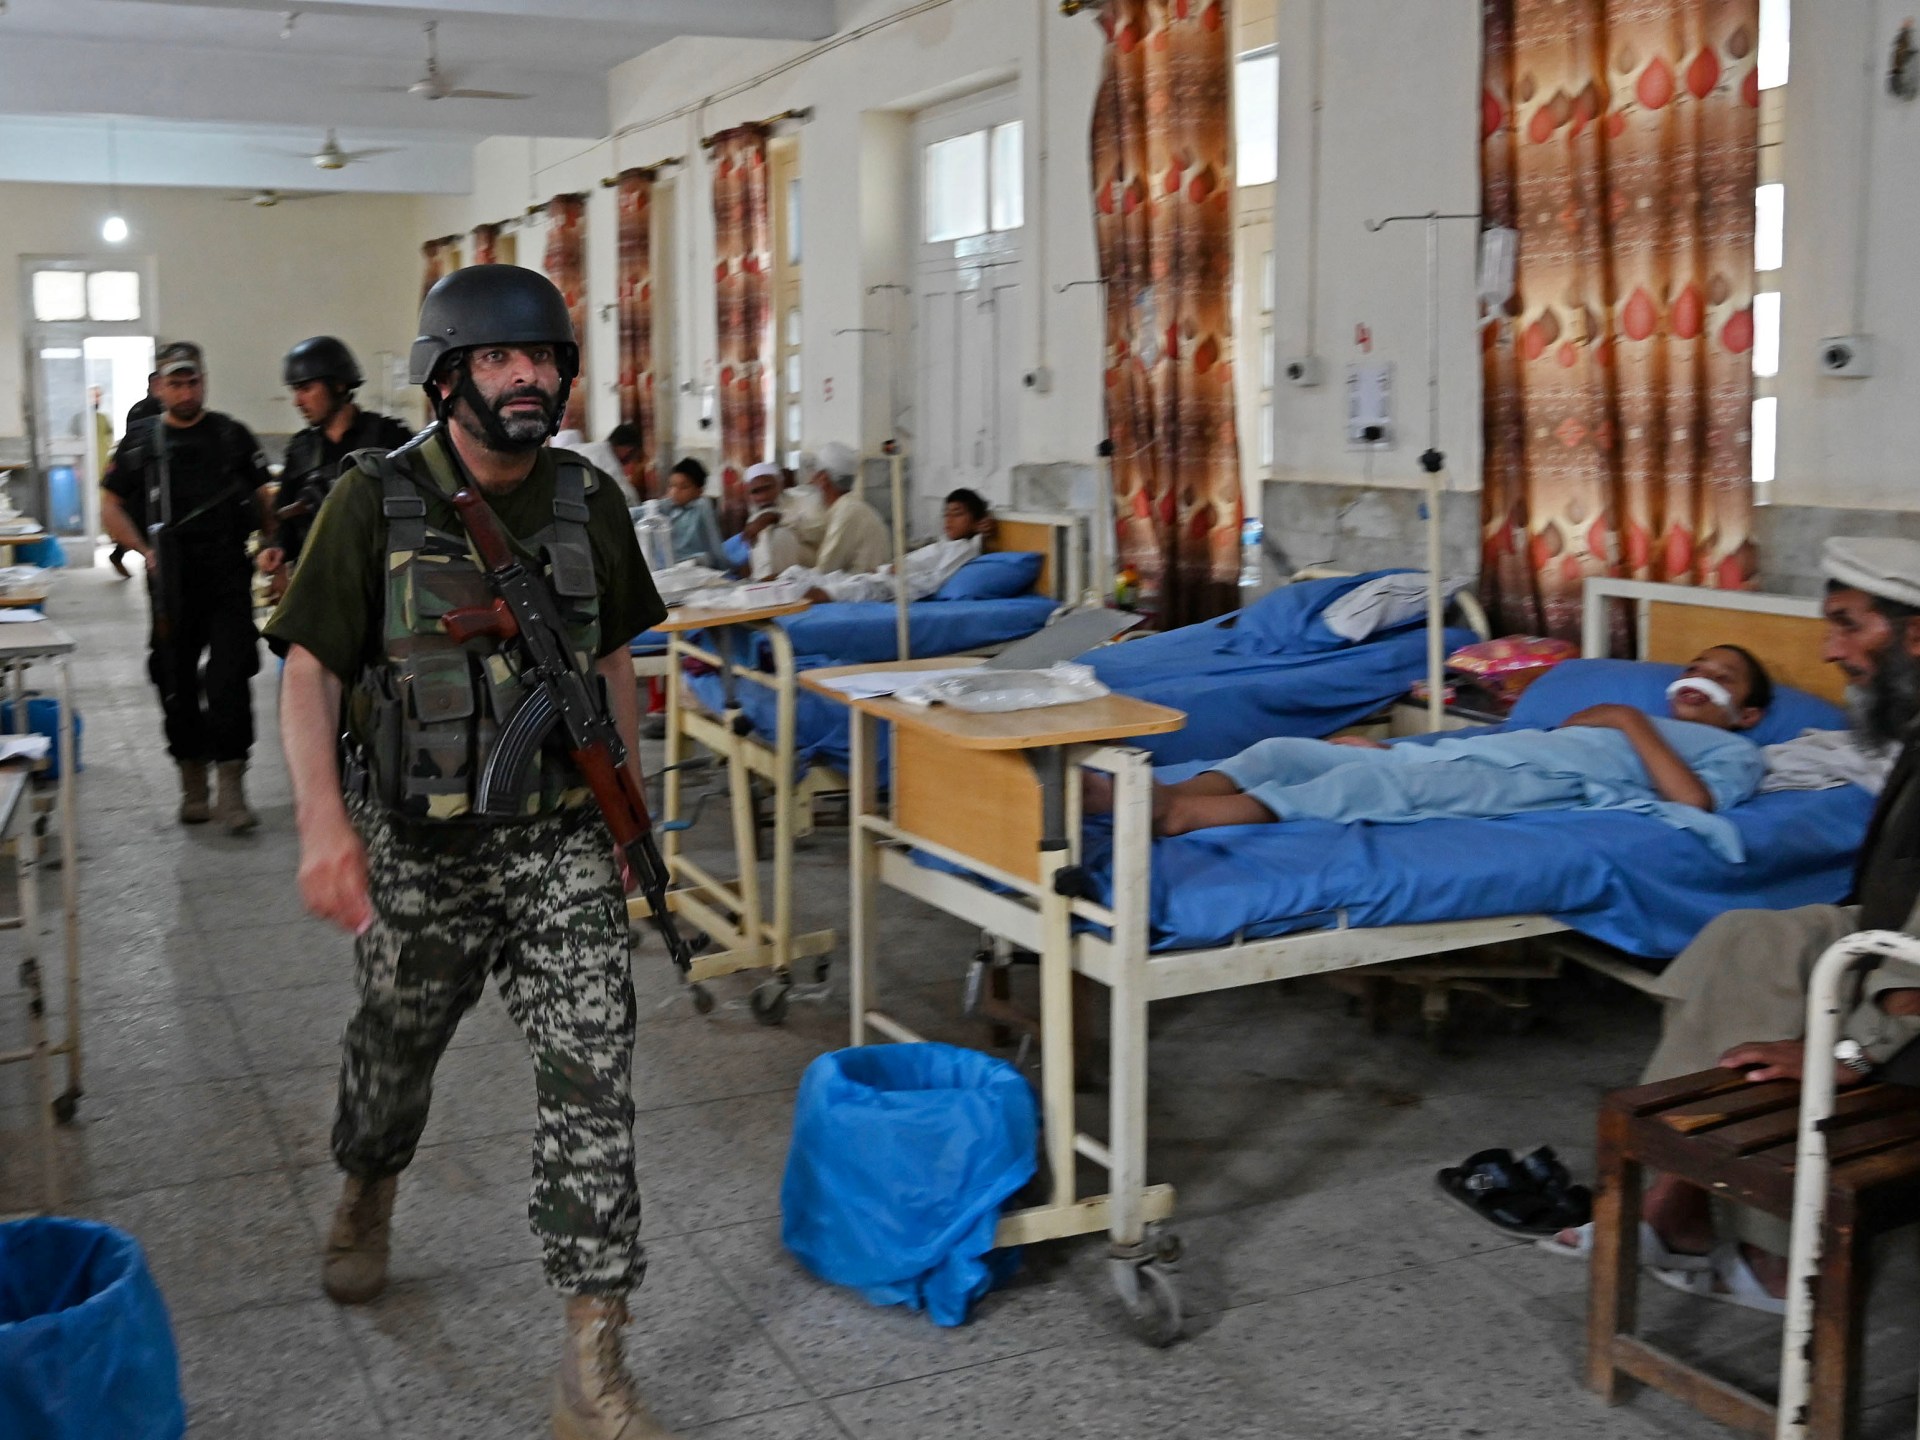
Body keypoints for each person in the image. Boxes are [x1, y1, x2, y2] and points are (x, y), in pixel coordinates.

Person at [263, 264, 674, 1440]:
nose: (528, 377)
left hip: (558, 844)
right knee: (394, 1047)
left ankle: (592, 1358)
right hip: (420, 847)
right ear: (447, 378)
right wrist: (322, 822)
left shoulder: (591, 501)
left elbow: (610, 661)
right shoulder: (374, 500)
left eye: (543, 358)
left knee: (595, 1073)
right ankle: (369, 1181)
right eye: (500, 358)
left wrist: (630, 807)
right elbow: (311, 670)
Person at [1542, 537, 1920, 1308]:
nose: (1830, 650)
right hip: (1891, 945)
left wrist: (1849, 1050)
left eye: (1848, 626)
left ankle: (1750, 1248)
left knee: (1789, 1008)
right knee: (1742, 941)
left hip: (1909, 979)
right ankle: (1674, 1202)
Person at [1090, 646, 1773, 850]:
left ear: (1748, 714)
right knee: (1281, 752)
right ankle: (1167, 793)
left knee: (1357, 788)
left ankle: (1178, 816)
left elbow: (1692, 803)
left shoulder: (1735, 752)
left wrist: (1629, 720)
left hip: (1534, 786)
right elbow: (1551, 735)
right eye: (1696, 667)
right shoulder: (1625, 716)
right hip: (1494, 751)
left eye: (1722, 677)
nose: (1700, 678)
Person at [100, 341, 274, 834]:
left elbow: (263, 496)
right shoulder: (140, 443)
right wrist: (143, 550)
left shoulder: (231, 435)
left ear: (203, 382)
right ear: (159, 387)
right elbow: (109, 505)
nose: (185, 391)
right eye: (175, 383)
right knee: (173, 679)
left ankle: (232, 787)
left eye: (192, 381)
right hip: (171, 583)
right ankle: (193, 783)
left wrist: (271, 544)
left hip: (227, 577)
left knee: (228, 678)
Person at [257, 337, 411, 590]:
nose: (297, 401)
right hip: (322, 586)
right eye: (295, 390)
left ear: (338, 385)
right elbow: (286, 520)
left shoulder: (389, 437)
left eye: (306, 388)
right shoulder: (301, 449)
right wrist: (277, 549)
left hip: (381, 583)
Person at [791, 487, 994, 603]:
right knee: (809, 576)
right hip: (884, 576)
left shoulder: (964, 549)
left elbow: (934, 581)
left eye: (957, 514)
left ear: (976, 521)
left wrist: (898, 573)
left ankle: (788, 604)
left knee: (834, 591)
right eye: (946, 514)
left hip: (892, 587)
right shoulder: (946, 544)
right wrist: (885, 569)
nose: (948, 520)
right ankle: (781, 592)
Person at [806, 440, 891, 576]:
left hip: (863, 587)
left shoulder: (846, 512)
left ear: (823, 479)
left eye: (814, 475)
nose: (810, 481)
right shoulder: (850, 507)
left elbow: (824, 571)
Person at [107, 372, 162, 579]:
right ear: (153, 384)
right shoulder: (145, 409)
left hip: (147, 473)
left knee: (137, 517)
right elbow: (132, 442)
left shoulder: (149, 407)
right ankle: (142, 556)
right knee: (137, 517)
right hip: (141, 473)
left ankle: (121, 554)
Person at [740, 462, 810, 579]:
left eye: (767, 488)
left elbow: (812, 531)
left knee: (780, 535)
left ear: (780, 485)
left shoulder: (803, 500)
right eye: (756, 492)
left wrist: (774, 517)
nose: (763, 496)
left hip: (806, 570)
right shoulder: (754, 517)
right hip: (767, 578)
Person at [660, 458, 727, 570]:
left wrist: (724, 568)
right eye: (671, 486)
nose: (675, 492)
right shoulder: (667, 506)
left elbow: (714, 542)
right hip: (669, 568)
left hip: (695, 566)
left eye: (684, 487)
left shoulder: (702, 506)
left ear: (699, 491)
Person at [557, 423, 645, 505]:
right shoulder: (610, 465)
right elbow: (629, 500)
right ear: (629, 450)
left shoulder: (583, 448)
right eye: (635, 456)